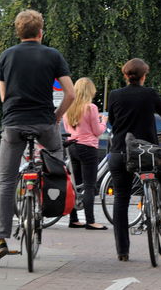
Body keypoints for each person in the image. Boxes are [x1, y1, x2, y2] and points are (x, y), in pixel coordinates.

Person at [0, 9, 75, 267]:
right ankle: (50, 205)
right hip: (45, 123)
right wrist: (57, 118)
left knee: (4, 182)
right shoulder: (52, 55)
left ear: (18, 31)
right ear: (40, 31)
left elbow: (3, 95)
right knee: (57, 166)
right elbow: (70, 93)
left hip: (13, 124)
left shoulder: (6, 55)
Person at [107, 58, 161, 261]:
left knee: (121, 199)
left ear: (125, 75)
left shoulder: (115, 95)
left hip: (120, 152)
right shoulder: (149, 94)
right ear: (144, 75)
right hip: (147, 153)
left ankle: (122, 251)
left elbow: (113, 123)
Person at [63, 77, 108, 230]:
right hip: (88, 147)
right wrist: (104, 121)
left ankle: (74, 219)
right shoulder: (91, 108)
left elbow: (67, 129)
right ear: (90, 91)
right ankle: (90, 221)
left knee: (76, 185)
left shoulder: (68, 107)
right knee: (89, 185)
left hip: (72, 147)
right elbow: (97, 131)